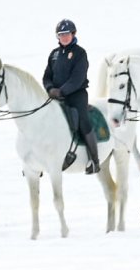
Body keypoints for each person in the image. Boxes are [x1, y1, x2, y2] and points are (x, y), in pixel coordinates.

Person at [42, 19, 98, 174]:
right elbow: (47, 76)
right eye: (61, 34)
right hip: (55, 95)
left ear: (73, 34)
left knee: (83, 121)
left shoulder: (80, 53)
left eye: (67, 34)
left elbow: (77, 78)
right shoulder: (54, 54)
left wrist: (62, 91)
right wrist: (50, 88)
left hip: (76, 94)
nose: (64, 37)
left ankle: (94, 161)